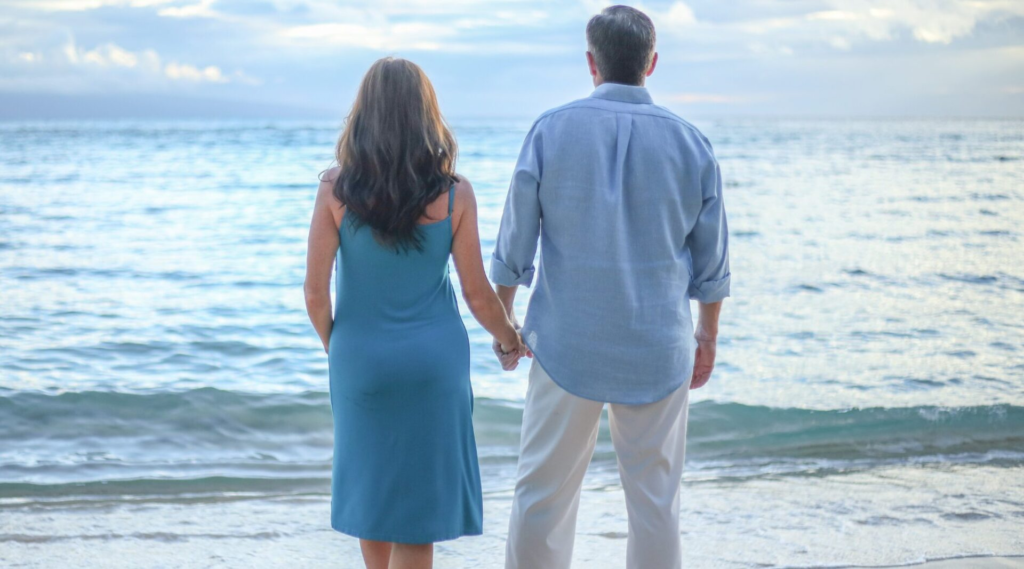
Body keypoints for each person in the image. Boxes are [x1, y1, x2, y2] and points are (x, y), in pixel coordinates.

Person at [491, 6, 731, 569]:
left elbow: (513, 246)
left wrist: (505, 326)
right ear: (651, 63)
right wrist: (708, 337)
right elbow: (711, 263)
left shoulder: (551, 129)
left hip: (565, 345)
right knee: (655, 506)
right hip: (658, 347)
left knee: (542, 500)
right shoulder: (691, 143)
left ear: (591, 63)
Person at [304, 57, 527, 569]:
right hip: (434, 364)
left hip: (361, 358)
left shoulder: (336, 190)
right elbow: (476, 293)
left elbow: (316, 294)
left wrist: (340, 349)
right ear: (427, 115)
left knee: (372, 498)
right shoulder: (454, 193)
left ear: (364, 115)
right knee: (417, 516)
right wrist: (510, 339)